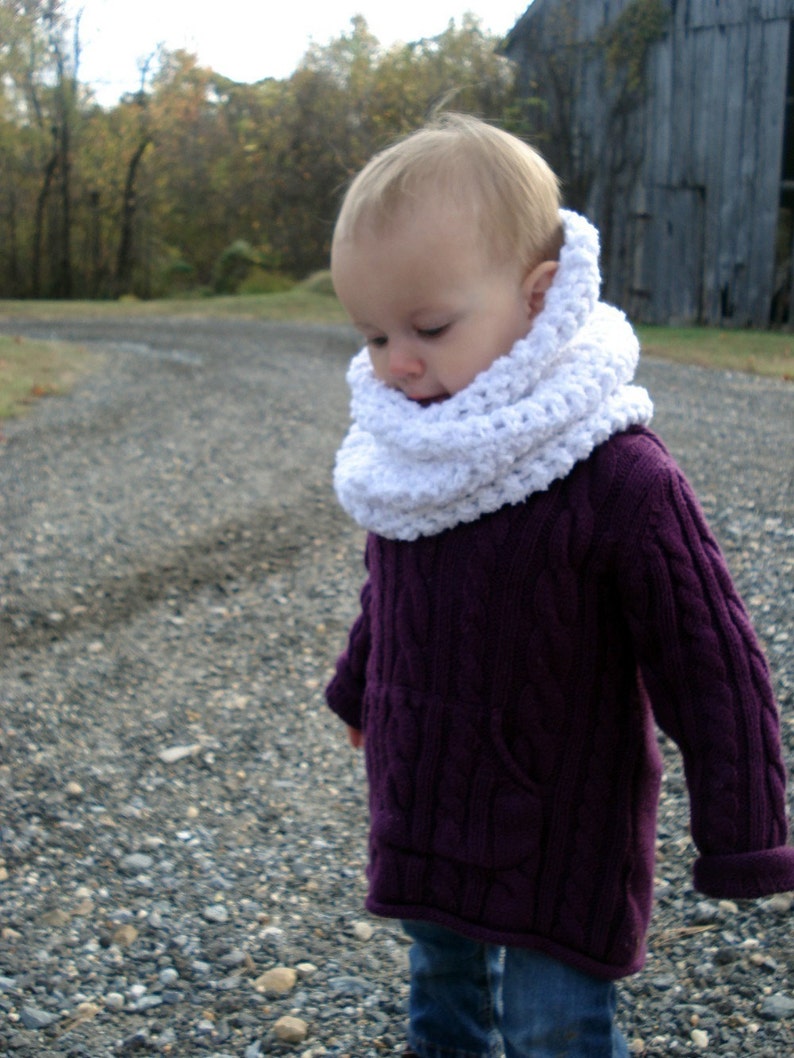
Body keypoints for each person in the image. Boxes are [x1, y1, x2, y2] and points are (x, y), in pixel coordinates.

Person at [324, 113, 794, 1058]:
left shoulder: (620, 477)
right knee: (440, 981)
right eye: (373, 334)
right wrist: (357, 680)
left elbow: (712, 661)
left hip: (560, 821)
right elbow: (395, 584)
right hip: (424, 790)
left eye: (428, 327)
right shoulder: (412, 459)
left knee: (553, 1026)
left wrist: (745, 824)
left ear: (540, 299)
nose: (396, 362)